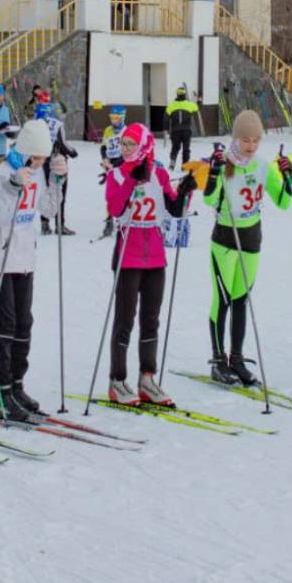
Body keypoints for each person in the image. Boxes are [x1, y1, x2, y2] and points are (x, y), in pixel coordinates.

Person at [104, 123, 196, 406]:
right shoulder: (117, 174)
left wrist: (185, 192)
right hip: (128, 254)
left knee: (151, 320)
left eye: (132, 144)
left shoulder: (159, 173)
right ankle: (117, 381)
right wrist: (132, 179)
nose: (126, 149)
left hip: (155, 255)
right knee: (125, 320)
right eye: (124, 144)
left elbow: (175, 208)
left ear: (144, 145)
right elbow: (115, 208)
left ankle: (147, 378)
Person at [0, 121, 65, 421]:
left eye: (44, 159)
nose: (41, 162)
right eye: (38, 158)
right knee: (6, 326)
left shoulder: (37, 173)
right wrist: (12, 189)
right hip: (0, 260)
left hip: (25, 258)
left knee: (23, 325)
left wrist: (56, 180)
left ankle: (16, 385)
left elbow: (48, 210)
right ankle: (0, 392)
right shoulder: (0, 174)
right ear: (26, 152)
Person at [203, 111, 292, 385]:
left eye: (255, 140)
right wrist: (214, 173)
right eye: (245, 140)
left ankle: (236, 359)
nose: (250, 145)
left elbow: (284, 202)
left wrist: (289, 176)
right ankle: (218, 361)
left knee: (241, 301)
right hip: (225, 241)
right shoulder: (225, 163)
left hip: (252, 239)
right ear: (236, 139)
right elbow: (208, 200)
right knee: (224, 299)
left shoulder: (262, 166)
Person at [34, 101, 78, 235]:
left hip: (40, 163)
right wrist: (73, 152)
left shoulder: (34, 125)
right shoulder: (57, 125)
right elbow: (63, 144)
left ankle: (44, 223)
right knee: (59, 193)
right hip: (56, 163)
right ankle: (60, 225)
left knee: (45, 192)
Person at [98, 105, 127, 239]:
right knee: (110, 195)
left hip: (123, 165)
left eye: (116, 118)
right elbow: (103, 147)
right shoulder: (108, 130)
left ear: (122, 118)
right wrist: (105, 160)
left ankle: (123, 220)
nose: (113, 120)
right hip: (110, 165)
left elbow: (127, 152)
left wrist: (116, 164)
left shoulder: (126, 131)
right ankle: (109, 221)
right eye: (111, 117)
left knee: (124, 194)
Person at [165, 86, 198, 170]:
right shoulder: (189, 104)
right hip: (186, 131)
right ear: (185, 94)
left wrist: (166, 129)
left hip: (175, 131)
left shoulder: (171, 105)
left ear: (177, 94)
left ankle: (172, 162)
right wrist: (199, 100)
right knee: (186, 148)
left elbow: (165, 118)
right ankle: (185, 165)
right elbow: (198, 108)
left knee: (175, 147)